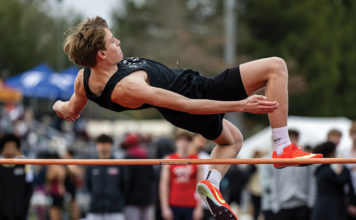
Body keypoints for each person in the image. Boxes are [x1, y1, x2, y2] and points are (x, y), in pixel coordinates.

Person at [53, 16, 323, 219]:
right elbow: (187, 103)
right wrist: (241, 105)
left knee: (233, 141)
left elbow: (70, 109)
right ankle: (282, 146)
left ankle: (211, 184)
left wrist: (58, 106)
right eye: (113, 41)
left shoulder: (84, 80)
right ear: (101, 55)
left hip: (187, 107)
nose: (118, 42)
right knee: (276, 67)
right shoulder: (128, 87)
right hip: (197, 94)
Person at [271, 129, 315, 220]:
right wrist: (275, 204)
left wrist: (311, 202)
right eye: (289, 138)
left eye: (294, 138)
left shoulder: (305, 157)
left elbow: (311, 180)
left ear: (298, 139)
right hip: (283, 205)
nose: (291, 141)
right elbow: (274, 182)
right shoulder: (278, 158)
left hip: (303, 204)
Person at [159, 131, 203, 220]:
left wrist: (199, 208)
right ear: (176, 142)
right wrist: (164, 208)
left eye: (187, 141)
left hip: (191, 204)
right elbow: (164, 185)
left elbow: (200, 185)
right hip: (174, 203)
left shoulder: (197, 160)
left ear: (191, 143)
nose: (184, 144)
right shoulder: (169, 159)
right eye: (181, 141)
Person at [85, 134, 127, 220]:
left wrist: (117, 198)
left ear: (111, 145)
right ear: (96, 145)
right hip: (95, 209)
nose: (103, 146)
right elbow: (88, 184)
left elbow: (125, 184)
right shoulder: (91, 165)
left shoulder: (118, 165)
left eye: (106, 143)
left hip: (115, 209)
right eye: (100, 143)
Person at [312, 141, 356, 220]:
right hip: (329, 210)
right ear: (330, 153)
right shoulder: (325, 170)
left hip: (329, 209)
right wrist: (340, 165)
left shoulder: (322, 169)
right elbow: (340, 179)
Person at [121, 133, 155, 220]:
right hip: (146, 199)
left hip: (131, 201)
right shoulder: (146, 156)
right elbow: (152, 177)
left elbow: (126, 180)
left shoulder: (127, 158)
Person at [0, 133, 33, 220]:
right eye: (8, 146)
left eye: (13, 146)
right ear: (3, 148)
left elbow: (29, 187)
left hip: (19, 210)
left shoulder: (24, 164)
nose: (10, 149)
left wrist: (25, 207)